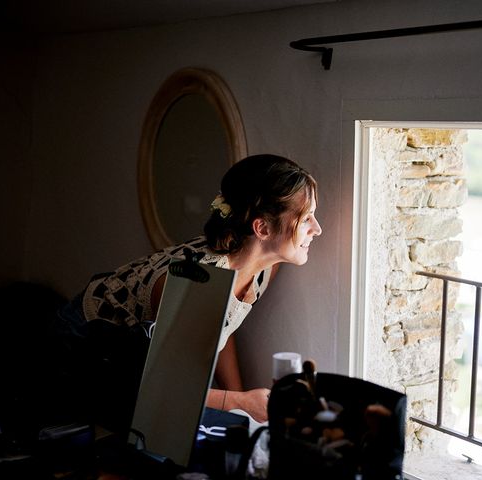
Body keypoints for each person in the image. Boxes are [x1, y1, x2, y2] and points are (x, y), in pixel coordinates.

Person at [52, 154, 322, 432]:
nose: (318, 229)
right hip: (83, 342)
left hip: (145, 366)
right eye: (306, 219)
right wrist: (238, 401)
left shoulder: (264, 267)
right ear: (262, 228)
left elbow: (221, 327)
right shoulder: (197, 284)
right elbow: (163, 388)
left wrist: (245, 410)